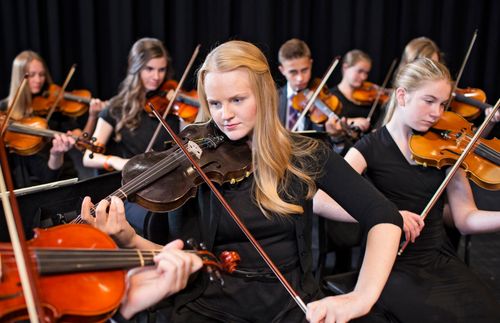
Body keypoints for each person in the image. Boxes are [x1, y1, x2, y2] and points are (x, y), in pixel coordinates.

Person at [82, 40, 403, 323]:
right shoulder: (193, 166)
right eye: (216, 104)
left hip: (289, 306)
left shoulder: (304, 154)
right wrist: (127, 238)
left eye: (237, 100)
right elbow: (178, 257)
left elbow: (384, 216)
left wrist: (361, 297)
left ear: (263, 94)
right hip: (207, 306)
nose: (225, 115)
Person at [338, 57, 500, 322]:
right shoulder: (369, 147)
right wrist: (386, 214)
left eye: (443, 104)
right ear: (402, 96)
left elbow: (465, 218)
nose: (437, 112)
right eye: (429, 101)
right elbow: (321, 200)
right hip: (389, 264)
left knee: (489, 314)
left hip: (439, 257)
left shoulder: (447, 146)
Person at [82, 37, 181, 232]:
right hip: (133, 191)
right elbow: (88, 156)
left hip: (168, 187)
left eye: (161, 70)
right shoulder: (115, 108)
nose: (157, 76)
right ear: (136, 68)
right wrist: (116, 161)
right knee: (154, 222)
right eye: (149, 69)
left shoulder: (172, 108)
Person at [0, 50, 76, 188]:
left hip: (52, 178)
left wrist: (57, 153)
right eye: (32, 75)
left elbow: (47, 175)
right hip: (17, 184)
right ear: (20, 77)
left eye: (41, 75)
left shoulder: (47, 108)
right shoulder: (4, 109)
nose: (38, 80)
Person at [277, 38, 342, 136]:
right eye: (293, 72)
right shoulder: (272, 98)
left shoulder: (322, 97)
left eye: (304, 70)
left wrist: (335, 135)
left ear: (310, 64)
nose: (300, 78)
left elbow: (331, 145)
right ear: (282, 70)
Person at [330, 49, 373, 137]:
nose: (364, 77)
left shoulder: (370, 96)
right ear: (345, 68)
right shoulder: (332, 97)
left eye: (366, 73)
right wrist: (352, 121)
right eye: (360, 71)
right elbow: (330, 123)